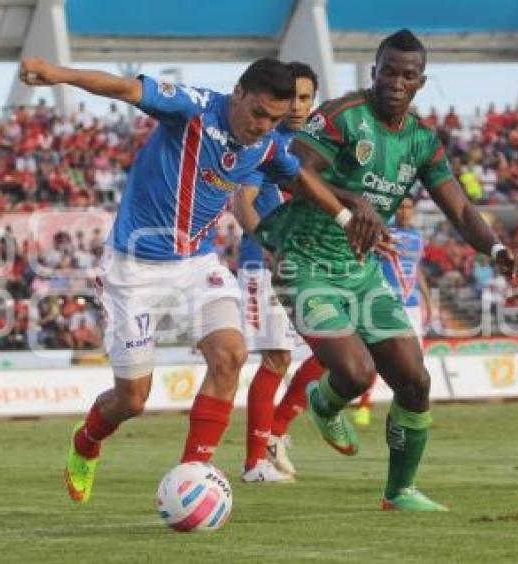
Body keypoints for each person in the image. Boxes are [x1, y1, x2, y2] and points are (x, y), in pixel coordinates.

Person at [19, 56, 382, 504]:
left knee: (230, 355)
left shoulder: (266, 147)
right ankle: (86, 441)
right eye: (258, 114)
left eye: (273, 120)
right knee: (132, 400)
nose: (263, 126)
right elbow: (125, 89)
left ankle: (194, 473)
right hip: (133, 269)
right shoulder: (193, 108)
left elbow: (302, 182)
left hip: (197, 265)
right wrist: (58, 75)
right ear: (239, 94)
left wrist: (347, 216)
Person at [254, 29, 518, 511]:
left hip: (359, 272)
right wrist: (351, 199)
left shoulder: (421, 141)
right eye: (389, 71)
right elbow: (293, 171)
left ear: (420, 82)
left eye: (408, 75)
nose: (397, 82)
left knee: (415, 381)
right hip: (303, 262)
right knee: (357, 372)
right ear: (373, 71)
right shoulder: (341, 116)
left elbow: (460, 210)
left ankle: (399, 492)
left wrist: (496, 247)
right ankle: (324, 400)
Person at [231, 62, 318, 483]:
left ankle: (276, 433)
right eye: (294, 98)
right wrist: (268, 244)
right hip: (262, 265)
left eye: (306, 98)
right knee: (277, 357)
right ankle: (255, 463)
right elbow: (241, 203)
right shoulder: (265, 144)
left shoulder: (315, 145)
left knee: (339, 348)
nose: (299, 106)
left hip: (305, 266)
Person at [353, 195, 432, 426]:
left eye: (409, 207)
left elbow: (417, 271)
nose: (405, 212)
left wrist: (428, 300)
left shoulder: (418, 238)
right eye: (401, 207)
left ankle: (406, 410)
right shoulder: (384, 234)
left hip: (413, 305)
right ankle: (364, 405)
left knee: (415, 363)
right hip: (388, 303)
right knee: (383, 358)